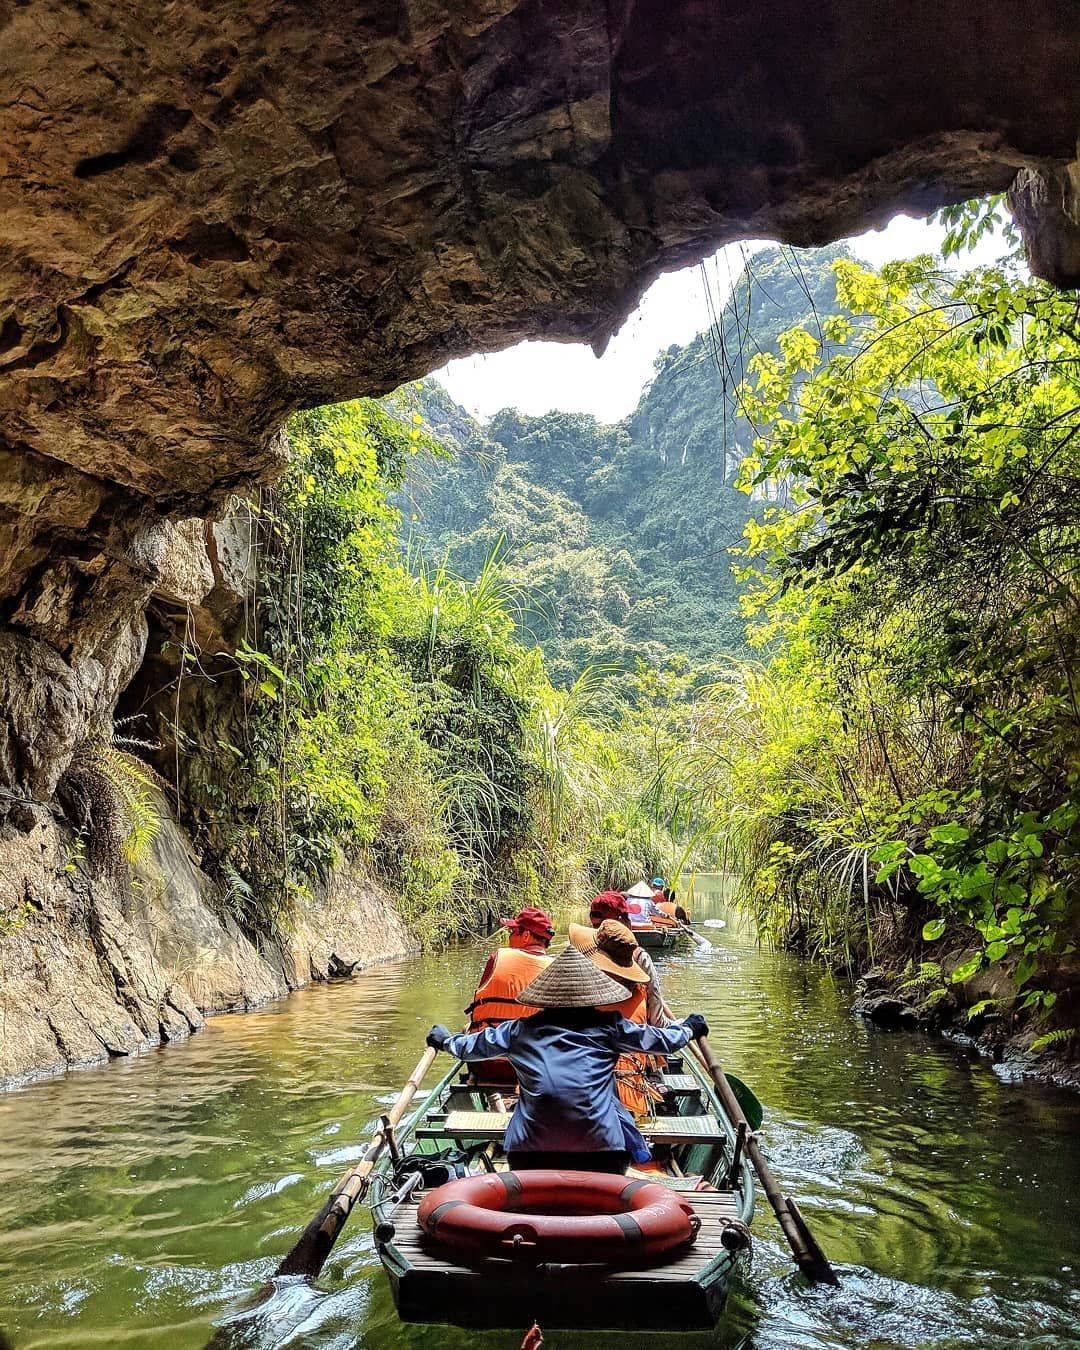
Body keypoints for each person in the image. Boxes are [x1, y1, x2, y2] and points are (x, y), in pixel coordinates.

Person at [427, 945, 708, 1174]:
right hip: (603, 1157)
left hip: (530, 1157)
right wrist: (690, 1027)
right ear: (594, 997)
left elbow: (468, 1048)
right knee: (615, 1113)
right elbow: (663, 1041)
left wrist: (443, 1040)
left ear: (546, 999)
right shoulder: (610, 1026)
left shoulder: (519, 1030)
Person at [569, 919, 661, 1116]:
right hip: (631, 1102)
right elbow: (659, 1029)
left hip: (576, 1104)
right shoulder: (639, 992)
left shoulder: (577, 991)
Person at [464, 906, 554, 1032]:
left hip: (490, 1042)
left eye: (513, 932)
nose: (509, 938)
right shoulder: (557, 969)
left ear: (526, 936)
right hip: (536, 1044)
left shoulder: (497, 958)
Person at [589, 891, 669, 1026]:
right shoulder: (638, 956)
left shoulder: (580, 949)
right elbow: (657, 1021)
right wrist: (678, 1028)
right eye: (627, 916)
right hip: (631, 1034)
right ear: (622, 921)